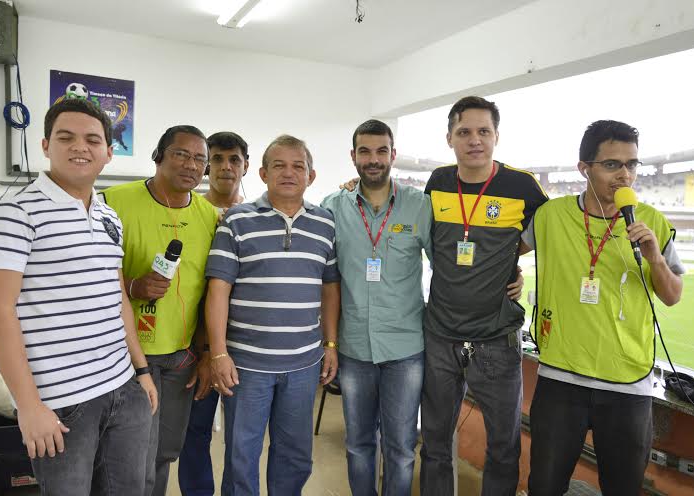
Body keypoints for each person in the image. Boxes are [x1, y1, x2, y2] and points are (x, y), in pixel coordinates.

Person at [0, 98, 157, 496]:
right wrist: (28, 406)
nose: (80, 147)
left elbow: (117, 297)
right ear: (45, 146)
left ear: (108, 152)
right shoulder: (12, 213)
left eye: (92, 139)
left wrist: (141, 371)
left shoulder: (108, 216)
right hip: (60, 402)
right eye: (66, 137)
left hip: (122, 387)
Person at [525, 120, 684, 495]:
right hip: (561, 377)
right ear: (584, 168)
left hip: (628, 383)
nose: (625, 175)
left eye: (632, 164)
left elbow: (672, 295)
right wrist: (511, 276)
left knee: (623, 488)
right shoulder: (550, 216)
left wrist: (654, 258)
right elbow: (507, 252)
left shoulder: (653, 222)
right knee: (544, 486)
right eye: (612, 164)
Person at [420, 96, 547, 496]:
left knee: (504, 448)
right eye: (464, 132)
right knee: (435, 444)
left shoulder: (522, 185)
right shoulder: (438, 182)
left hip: (496, 341)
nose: (474, 140)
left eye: (483, 131)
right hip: (440, 337)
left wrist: (511, 263)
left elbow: (547, 233)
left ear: (496, 136)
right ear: (449, 138)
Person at [205, 135, 340, 495]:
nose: (288, 173)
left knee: (295, 455)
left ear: (311, 176)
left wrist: (330, 344)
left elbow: (330, 289)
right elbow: (218, 291)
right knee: (241, 455)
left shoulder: (325, 223)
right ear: (263, 173)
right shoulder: (237, 220)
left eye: (298, 166)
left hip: (303, 364)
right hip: (246, 365)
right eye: (279, 165)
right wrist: (218, 353)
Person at [101, 126, 218, 496]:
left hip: (181, 357)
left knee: (165, 452)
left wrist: (204, 353)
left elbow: (209, 292)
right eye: (181, 154)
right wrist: (134, 287)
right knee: (130, 457)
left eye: (200, 159)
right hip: (126, 354)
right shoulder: (112, 202)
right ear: (159, 156)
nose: (191, 165)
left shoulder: (209, 216)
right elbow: (92, 274)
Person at [321, 119, 431, 495]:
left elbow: (447, 268)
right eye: (365, 151)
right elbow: (323, 277)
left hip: (405, 349)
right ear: (353, 156)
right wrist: (328, 342)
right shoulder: (332, 207)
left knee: (400, 449)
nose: (373, 159)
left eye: (381, 151)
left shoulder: (419, 206)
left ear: (393, 155)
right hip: (354, 349)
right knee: (358, 444)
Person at [178, 131, 250, 496]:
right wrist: (206, 350)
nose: (225, 167)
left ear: (246, 166)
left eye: (234, 159)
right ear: (207, 166)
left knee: (242, 437)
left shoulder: (255, 217)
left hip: (247, 346)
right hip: (198, 345)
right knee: (195, 431)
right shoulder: (191, 214)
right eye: (217, 159)